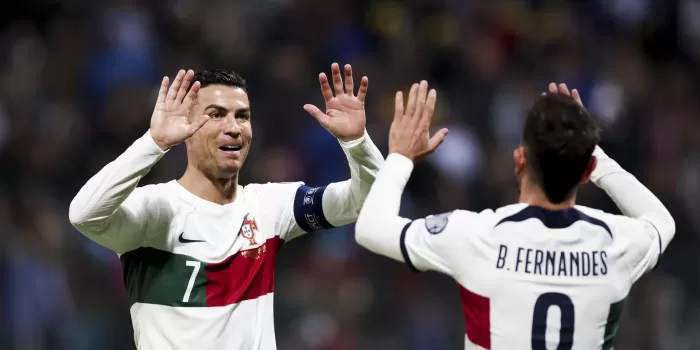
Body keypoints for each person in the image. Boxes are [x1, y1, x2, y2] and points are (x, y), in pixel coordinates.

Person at [68, 63, 384, 349]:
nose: (233, 126)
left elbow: (367, 199)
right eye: (216, 114)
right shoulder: (156, 210)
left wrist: (357, 143)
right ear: (187, 128)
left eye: (242, 116)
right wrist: (153, 143)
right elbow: (84, 214)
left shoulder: (270, 206)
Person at [355, 81, 675, 349]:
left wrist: (400, 157)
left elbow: (371, 228)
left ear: (519, 160)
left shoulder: (478, 234)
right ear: (587, 170)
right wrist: (593, 154)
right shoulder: (617, 242)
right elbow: (662, 221)